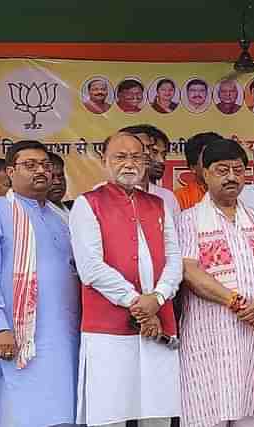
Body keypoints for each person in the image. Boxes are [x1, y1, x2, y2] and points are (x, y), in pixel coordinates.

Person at [70, 132, 182, 427]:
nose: (129, 163)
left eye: (136, 157)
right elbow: (91, 267)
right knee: (110, 411)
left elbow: (175, 259)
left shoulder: (158, 204)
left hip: (159, 320)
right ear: (104, 160)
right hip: (109, 327)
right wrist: (138, 303)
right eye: (121, 156)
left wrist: (157, 299)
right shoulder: (88, 203)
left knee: (157, 412)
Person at [175, 137, 254, 427]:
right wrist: (235, 302)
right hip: (212, 335)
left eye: (238, 170)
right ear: (205, 173)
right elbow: (189, 272)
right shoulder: (188, 220)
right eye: (222, 170)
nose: (231, 177)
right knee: (208, 412)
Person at [0, 141, 80, 427]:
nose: (40, 171)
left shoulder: (62, 218)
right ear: (10, 172)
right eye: (30, 165)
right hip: (18, 336)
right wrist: (0, 326)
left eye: (45, 165)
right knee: (24, 410)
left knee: (65, 409)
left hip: (66, 333)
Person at [120, 125, 181, 217]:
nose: (161, 160)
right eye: (154, 152)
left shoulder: (167, 197)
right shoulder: (102, 194)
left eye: (164, 155)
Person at [174, 132, 222, 211]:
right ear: (193, 167)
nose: (217, 163)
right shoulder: (179, 198)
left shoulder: (237, 193)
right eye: (209, 158)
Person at [47, 152, 73, 223]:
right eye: (51, 177)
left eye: (60, 176)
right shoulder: (36, 214)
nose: (57, 182)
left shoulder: (74, 208)